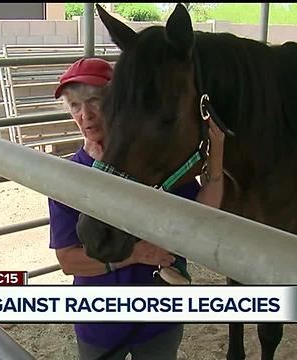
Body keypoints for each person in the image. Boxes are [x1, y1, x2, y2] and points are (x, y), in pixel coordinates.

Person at [48, 57, 225, 360]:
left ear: (119, 103)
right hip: (100, 322)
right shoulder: (69, 175)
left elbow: (201, 212)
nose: (85, 115)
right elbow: (69, 260)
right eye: (75, 106)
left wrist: (216, 152)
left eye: (95, 101)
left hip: (158, 318)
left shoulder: (153, 161)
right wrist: (135, 255)